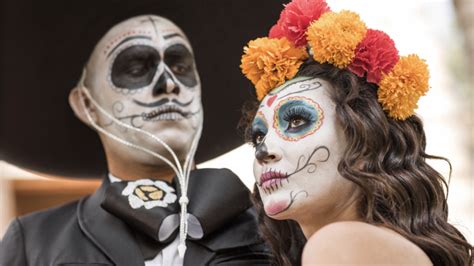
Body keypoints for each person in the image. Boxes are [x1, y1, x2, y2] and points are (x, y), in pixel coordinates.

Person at [0, 10, 271, 266]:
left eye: (180, 66)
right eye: (136, 68)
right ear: (87, 104)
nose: (168, 84)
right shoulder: (35, 242)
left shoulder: (274, 227)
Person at [239, 0, 473, 265]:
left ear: (364, 142)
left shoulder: (341, 244)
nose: (263, 151)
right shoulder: (377, 247)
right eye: (259, 136)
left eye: (296, 121)